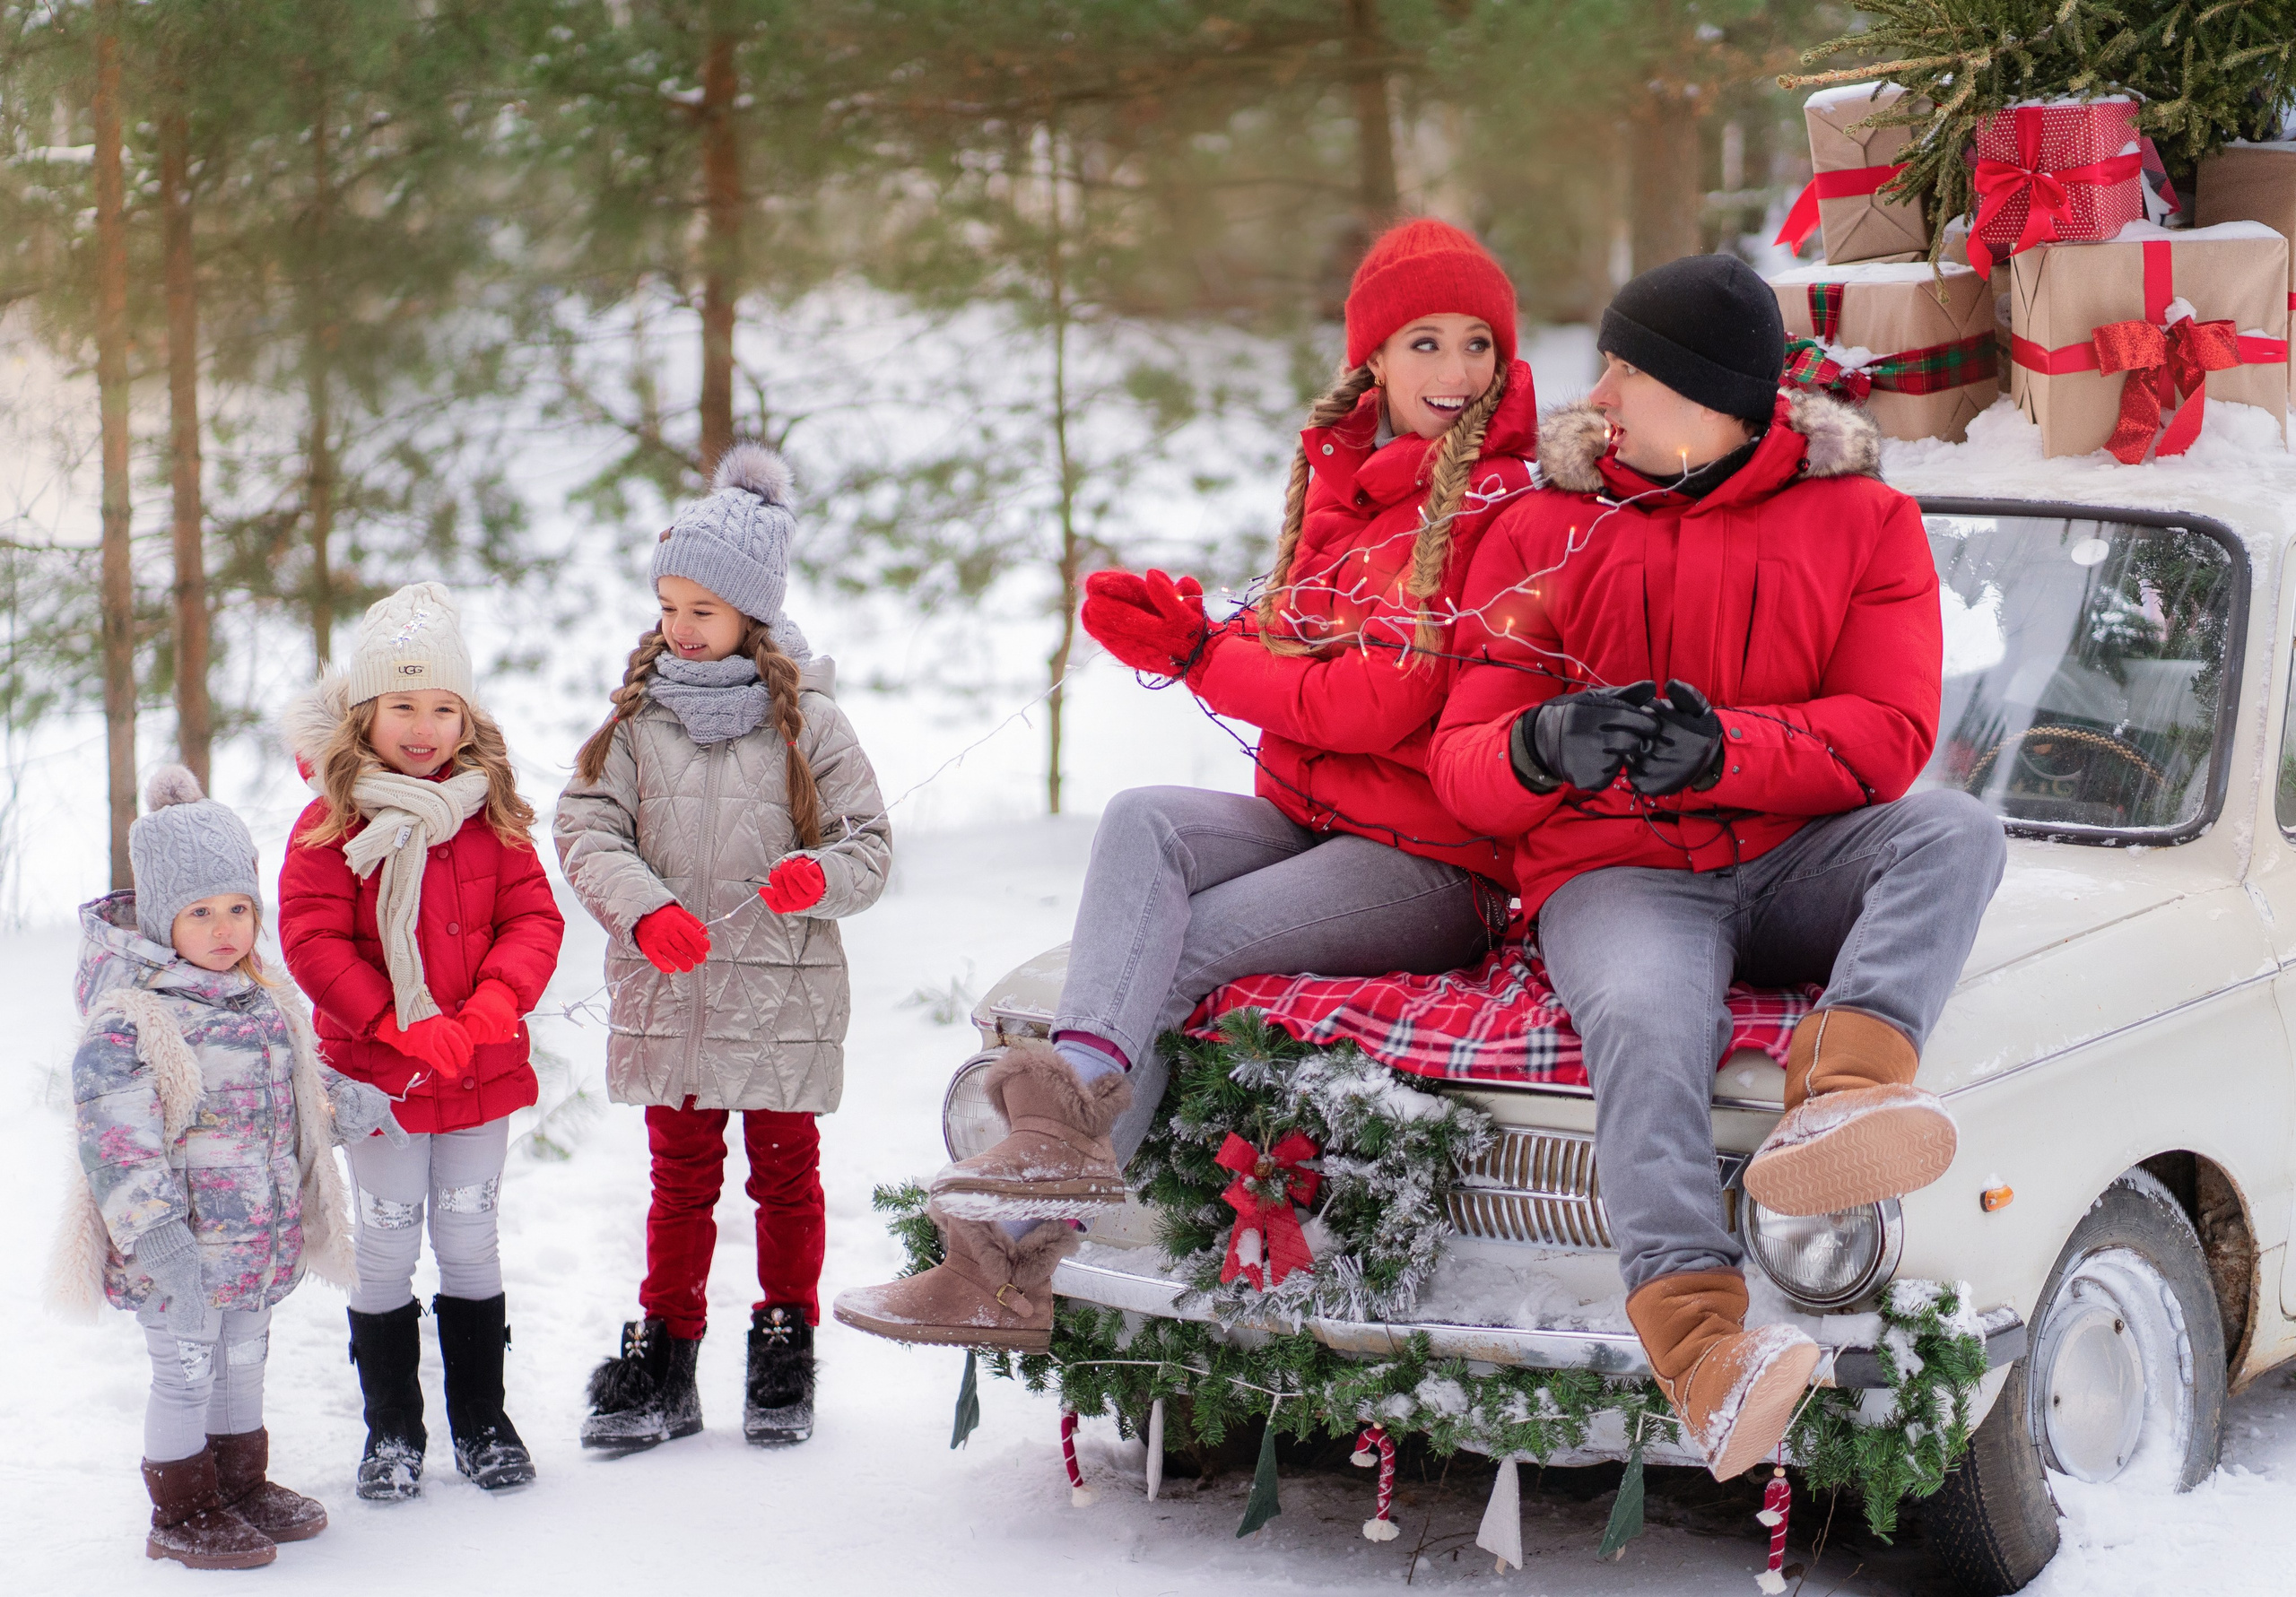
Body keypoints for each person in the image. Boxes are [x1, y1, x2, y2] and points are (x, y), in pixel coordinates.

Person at [834, 217, 1537, 1352]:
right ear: (1372, 361)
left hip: (1429, 861)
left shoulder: (1491, 504)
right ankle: (1060, 1140)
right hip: (1312, 819)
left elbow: (1384, 699)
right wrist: (1198, 626)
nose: (1456, 373)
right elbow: (1304, 649)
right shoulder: (1343, 491)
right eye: (1424, 344)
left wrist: (1205, 659)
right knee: (1143, 818)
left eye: (1476, 346)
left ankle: (1001, 1267)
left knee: (1185, 940)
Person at [1429, 253, 2005, 1480]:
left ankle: (1842, 1103)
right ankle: (1703, 1353)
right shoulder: (1541, 526)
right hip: (1619, 871)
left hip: (1795, 854)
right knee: (1643, 1011)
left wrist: (1726, 748)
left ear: (1710, 392)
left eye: (1630, 366)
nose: (1606, 391)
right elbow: (1461, 762)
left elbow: (1892, 737)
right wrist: (1545, 742)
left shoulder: (1866, 520)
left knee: (1959, 830)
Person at [556, 444, 891, 1451]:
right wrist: (644, 909)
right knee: (679, 1179)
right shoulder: (636, 719)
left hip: (781, 1000)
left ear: (752, 611)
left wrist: (818, 877)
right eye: (667, 607)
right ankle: (664, 1349)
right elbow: (585, 827)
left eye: (700, 610)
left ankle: (783, 1338)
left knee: (785, 1177)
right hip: (677, 994)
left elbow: (868, 847)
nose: (679, 630)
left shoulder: (812, 721)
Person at [53, 766, 393, 1567]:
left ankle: (240, 1485)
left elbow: (297, 1092)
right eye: (200, 912)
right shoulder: (135, 1015)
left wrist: (353, 1103)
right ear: (163, 916)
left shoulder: (263, 999)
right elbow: (116, 1140)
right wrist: (155, 1234)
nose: (224, 928)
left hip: (254, 1242)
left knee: (243, 1357)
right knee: (184, 1369)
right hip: (177, 1247)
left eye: (237, 908)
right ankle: (181, 1509)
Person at [278, 583, 566, 1500]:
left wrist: (491, 1005)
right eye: (403, 704)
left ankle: (483, 1419)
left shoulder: (496, 814)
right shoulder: (333, 820)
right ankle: (392, 1429)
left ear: (466, 715)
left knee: (472, 1234)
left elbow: (533, 917)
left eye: (444, 705)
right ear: (366, 712)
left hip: (480, 1067)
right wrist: (392, 1018)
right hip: (381, 1080)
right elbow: (311, 936)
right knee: (390, 1241)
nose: (425, 724)